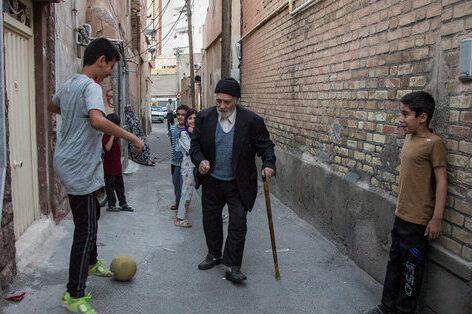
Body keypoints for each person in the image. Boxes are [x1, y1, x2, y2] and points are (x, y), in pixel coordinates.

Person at [48, 38, 144, 314]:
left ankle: (90, 263)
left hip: (69, 161)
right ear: (101, 60)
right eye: (110, 68)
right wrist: (131, 137)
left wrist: (73, 117)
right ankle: (74, 294)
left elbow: (54, 106)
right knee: (85, 230)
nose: (108, 75)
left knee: (92, 217)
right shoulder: (91, 86)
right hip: (79, 165)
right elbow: (97, 120)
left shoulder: (70, 84)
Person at [362, 91, 447, 314]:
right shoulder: (409, 138)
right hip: (401, 215)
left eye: (405, 114)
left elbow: (441, 181)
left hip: (419, 222)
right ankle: (385, 307)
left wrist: (436, 218)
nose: (401, 119)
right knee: (394, 264)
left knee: (411, 271)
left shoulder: (434, 143)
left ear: (423, 117)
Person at [190, 78, 276, 283]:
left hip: (239, 183)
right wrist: (200, 160)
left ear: (236, 100)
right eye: (219, 101)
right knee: (211, 220)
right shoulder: (204, 117)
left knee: (238, 223)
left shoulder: (251, 121)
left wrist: (269, 164)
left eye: (227, 102)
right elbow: (195, 147)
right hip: (212, 180)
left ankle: (233, 265)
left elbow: (266, 146)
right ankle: (214, 253)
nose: (222, 106)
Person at [102, 113, 134, 212]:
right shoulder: (106, 136)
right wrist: (112, 134)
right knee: (110, 187)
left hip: (117, 166)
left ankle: (123, 203)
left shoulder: (116, 135)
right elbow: (107, 147)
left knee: (120, 186)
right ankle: (111, 205)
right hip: (109, 167)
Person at [175, 108, 197, 228]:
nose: (192, 120)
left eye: (195, 118)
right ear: (186, 120)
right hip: (189, 168)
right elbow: (191, 149)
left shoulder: (199, 133)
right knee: (186, 192)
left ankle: (218, 214)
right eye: (190, 118)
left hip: (199, 168)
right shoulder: (183, 134)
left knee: (208, 193)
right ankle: (180, 218)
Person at [168, 104, 189, 211]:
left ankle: (184, 204)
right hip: (174, 162)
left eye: (183, 115)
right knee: (176, 184)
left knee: (184, 186)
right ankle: (177, 202)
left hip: (186, 164)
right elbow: (172, 144)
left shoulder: (189, 130)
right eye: (178, 114)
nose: (180, 117)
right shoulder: (172, 129)